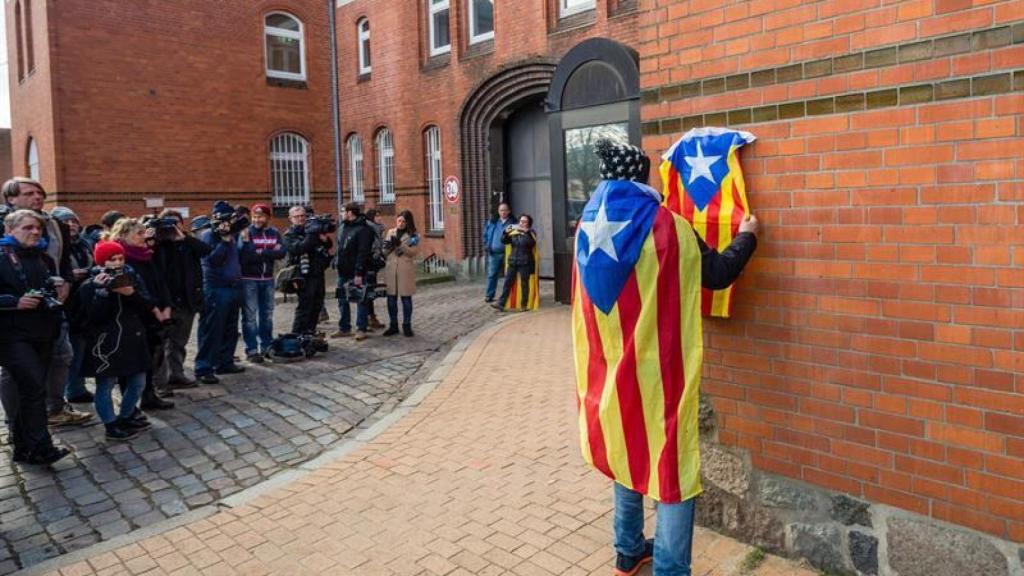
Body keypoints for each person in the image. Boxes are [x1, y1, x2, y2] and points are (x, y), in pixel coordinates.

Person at [572, 140, 758, 576]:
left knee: (625, 449)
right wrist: (747, 236)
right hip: (659, 372)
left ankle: (628, 551)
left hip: (610, 370)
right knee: (672, 469)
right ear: (640, 177)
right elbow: (717, 274)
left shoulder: (586, 225)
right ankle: (670, 568)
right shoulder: (667, 226)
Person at [0, 178, 92, 428]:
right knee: (13, 369)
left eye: (39, 192)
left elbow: (61, 262)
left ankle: (55, 408)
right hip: (14, 311)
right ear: (11, 199)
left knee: (62, 355)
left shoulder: (54, 224)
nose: (37, 196)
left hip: (52, 303)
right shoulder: (4, 225)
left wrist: (66, 283)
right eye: (29, 193)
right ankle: (16, 422)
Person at [0, 209, 71, 464]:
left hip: (43, 332)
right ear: (9, 231)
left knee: (28, 391)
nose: (35, 232)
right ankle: (42, 446)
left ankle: (23, 448)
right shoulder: (2, 257)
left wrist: (59, 290)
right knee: (33, 388)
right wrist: (13, 302)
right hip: (11, 336)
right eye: (27, 228)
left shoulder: (43, 258)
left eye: (38, 228)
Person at [77, 241, 155, 441]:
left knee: (138, 381)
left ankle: (126, 415)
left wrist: (131, 294)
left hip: (133, 337)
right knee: (106, 384)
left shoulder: (132, 277)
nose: (118, 263)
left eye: (120, 258)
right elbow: (89, 317)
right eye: (112, 259)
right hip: (105, 343)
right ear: (102, 262)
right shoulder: (90, 284)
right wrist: (102, 294)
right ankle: (110, 425)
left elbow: (147, 306)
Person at [109, 218, 175, 410]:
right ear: (123, 235)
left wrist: (166, 306)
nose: (143, 237)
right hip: (135, 315)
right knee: (132, 363)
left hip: (155, 314)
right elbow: (132, 291)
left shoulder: (146, 255)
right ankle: (130, 405)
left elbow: (160, 281)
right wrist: (152, 309)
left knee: (152, 358)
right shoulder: (121, 259)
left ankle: (149, 395)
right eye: (138, 233)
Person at [154, 210, 211, 389]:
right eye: (169, 224)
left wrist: (183, 238)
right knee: (161, 343)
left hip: (187, 299)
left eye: (176, 223)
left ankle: (176, 374)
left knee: (179, 341)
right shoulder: (158, 244)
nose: (173, 227)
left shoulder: (187, 242)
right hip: (166, 300)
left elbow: (206, 250)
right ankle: (160, 381)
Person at [195, 201, 245, 384]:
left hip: (233, 287)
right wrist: (223, 242)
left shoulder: (232, 235)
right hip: (216, 288)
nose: (233, 222)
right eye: (231, 218)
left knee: (230, 328)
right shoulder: (208, 235)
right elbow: (211, 261)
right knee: (212, 329)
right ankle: (204, 367)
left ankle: (225, 361)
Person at [51, 207, 95, 404]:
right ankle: (71, 390)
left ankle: (78, 388)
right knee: (68, 350)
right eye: (65, 222)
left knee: (81, 348)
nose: (71, 225)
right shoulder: (56, 246)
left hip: (85, 302)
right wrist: (69, 276)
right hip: (66, 303)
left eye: (73, 221)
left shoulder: (84, 243)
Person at [239, 204, 285, 363]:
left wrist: (261, 251)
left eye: (261, 216)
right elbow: (247, 256)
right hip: (249, 280)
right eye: (255, 217)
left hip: (268, 279)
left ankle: (266, 346)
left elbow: (281, 252)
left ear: (267, 217)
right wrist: (269, 253)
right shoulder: (246, 232)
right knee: (250, 316)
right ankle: (251, 350)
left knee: (267, 315)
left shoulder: (275, 233)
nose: (257, 220)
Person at [283, 205, 333, 336]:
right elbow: (299, 248)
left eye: (302, 216)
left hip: (318, 272)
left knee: (317, 304)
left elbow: (327, 245)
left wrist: (325, 238)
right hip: (302, 275)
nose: (300, 218)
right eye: (297, 216)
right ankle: (297, 334)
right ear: (290, 218)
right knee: (305, 306)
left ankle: (310, 332)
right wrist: (312, 234)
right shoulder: (289, 235)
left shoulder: (311, 230)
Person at [333, 203, 376, 341]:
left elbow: (363, 253)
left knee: (360, 299)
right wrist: (336, 260)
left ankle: (361, 328)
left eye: (343, 211)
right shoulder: (343, 227)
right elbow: (340, 246)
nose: (341, 214)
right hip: (342, 270)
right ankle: (344, 327)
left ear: (350, 213)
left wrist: (359, 272)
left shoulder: (363, 229)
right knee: (341, 299)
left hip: (356, 271)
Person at [380, 210, 420, 337]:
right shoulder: (391, 232)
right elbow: (385, 253)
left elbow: (413, 252)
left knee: (406, 299)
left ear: (408, 222)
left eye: (404, 221)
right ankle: (393, 325)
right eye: (399, 221)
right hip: (391, 270)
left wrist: (400, 245)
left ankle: (407, 326)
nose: (401, 223)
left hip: (405, 270)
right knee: (391, 300)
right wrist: (386, 247)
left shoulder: (413, 235)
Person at [492, 214, 538, 312]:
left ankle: (524, 305)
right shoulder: (514, 232)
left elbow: (531, 243)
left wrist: (526, 233)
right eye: (521, 221)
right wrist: (505, 233)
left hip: (525, 262)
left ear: (528, 224)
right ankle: (501, 303)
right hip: (513, 261)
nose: (522, 223)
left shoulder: (531, 233)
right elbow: (504, 241)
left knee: (524, 284)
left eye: (525, 222)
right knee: (507, 283)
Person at [482, 202, 513, 303]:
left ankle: (508, 296)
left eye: (505, 210)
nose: (503, 212)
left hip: (508, 253)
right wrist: (487, 245)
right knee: (492, 274)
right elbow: (485, 234)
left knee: (509, 275)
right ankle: (489, 296)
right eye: (501, 210)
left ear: (509, 211)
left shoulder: (513, 223)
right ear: (498, 212)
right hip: (494, 253)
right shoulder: (493, 222)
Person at [363, 208, 386, 331]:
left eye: (380, 215)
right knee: (368, 292)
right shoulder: (369, 229)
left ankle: (371, 317)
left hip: (374, 264)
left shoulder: (377, 228)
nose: (380, 218)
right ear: (371, 218)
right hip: (369, 265)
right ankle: (367, 318)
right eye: (377, 216)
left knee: (371, 292)